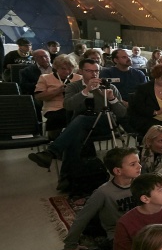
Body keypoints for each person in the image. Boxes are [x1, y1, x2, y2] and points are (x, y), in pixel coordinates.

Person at [27, 59, 126, 191]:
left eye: (96, 71)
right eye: (89, 71)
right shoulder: (73, 86)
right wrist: (86, 91)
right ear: (81, 71)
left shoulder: (109, 86)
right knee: (75, 136)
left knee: (78, 123)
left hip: (104, 123)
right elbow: (68, 106)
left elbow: (122, 113)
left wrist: (111, 99)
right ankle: (68, 179)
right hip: (80, 126)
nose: (94, 74)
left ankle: (52, 155)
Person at [46, 147, 140, 250]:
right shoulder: (103, 192)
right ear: (118, 170)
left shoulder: (142, 184)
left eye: (138, 162)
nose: (139, 166)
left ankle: (104, 246)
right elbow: (82, 218)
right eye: (133, 164)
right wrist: (70, 245)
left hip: (141, 230)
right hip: (118, 234)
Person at [34, 54, 78, 133]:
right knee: (59, 117)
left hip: (74, 107)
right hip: (54, 109)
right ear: (56, 68)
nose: (67, 71)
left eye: (69, 68)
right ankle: (56, 138)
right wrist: (57, 91)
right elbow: (38, 97)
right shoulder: (45, 78)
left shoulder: (79, 78)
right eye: (63, 69)